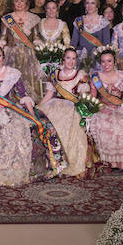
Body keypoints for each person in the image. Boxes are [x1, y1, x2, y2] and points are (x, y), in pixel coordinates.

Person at [0, 45, 65, 185]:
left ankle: (9, 171)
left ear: (3, 57)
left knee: (14, 129)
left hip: (9, 108)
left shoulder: (13, 73)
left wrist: (32, 115)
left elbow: (23, 95)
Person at [38, 48, 90, 177]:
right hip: (55, 104)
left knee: (68, 127)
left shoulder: (80, 75)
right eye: (68, 58)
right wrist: (38, 106)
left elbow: (83, 97)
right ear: (63, 59)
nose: (70, 61)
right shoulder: (55, 74)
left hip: (72, 107)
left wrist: (85, 113)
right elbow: (50, 94)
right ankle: (52, 163)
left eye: (73, 58)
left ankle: (67, 163)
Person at [0, 0, 44, 98]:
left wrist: (39, 46)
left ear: (26, 2)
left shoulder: (34, 18)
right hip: (11, 54)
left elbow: (36, 37)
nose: (19, 4)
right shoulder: (7, 18)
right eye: (16, 1)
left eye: (22, 1)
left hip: (29, 54)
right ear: (13, 3)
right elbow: (2, 37)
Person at [70, 0, 111, 66]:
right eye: (87, 3)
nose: (89, 6)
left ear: (97, 5)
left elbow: (106, 44)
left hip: (99, 59)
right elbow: (74, 43)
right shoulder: (79, 21)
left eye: (92, 3)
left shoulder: (104, 22)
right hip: (81, 57)